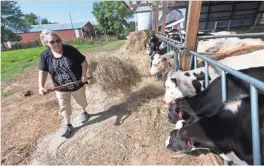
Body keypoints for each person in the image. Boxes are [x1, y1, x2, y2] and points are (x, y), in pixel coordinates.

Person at [38, 29, 90, 137]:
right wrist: (41, 86)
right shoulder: (45, 55)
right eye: (52, 42)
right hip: (60, 88)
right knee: (64, 106)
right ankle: (68, 125)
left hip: (77, 84)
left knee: (82, 101)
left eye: (58, 40)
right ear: (46, 44)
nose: (56, 43)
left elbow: (84, 61)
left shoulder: (69, 49)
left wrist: (84, 75)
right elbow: (42, 72)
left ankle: (84, 111)